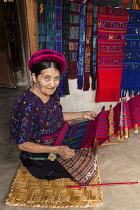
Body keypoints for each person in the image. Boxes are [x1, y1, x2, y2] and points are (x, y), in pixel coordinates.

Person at [10, 49, 98, 185]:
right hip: (41, 148)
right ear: (34, 77)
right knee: (86, 168)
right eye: (46, 78)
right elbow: (22, 144)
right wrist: (57, 149)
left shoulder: (51, 93)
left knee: (88, 150)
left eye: (56, 78)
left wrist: (83, 114)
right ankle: (36, 165)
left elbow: (55, 116)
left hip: (58, 136)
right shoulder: (27, 105)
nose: (52, 84)